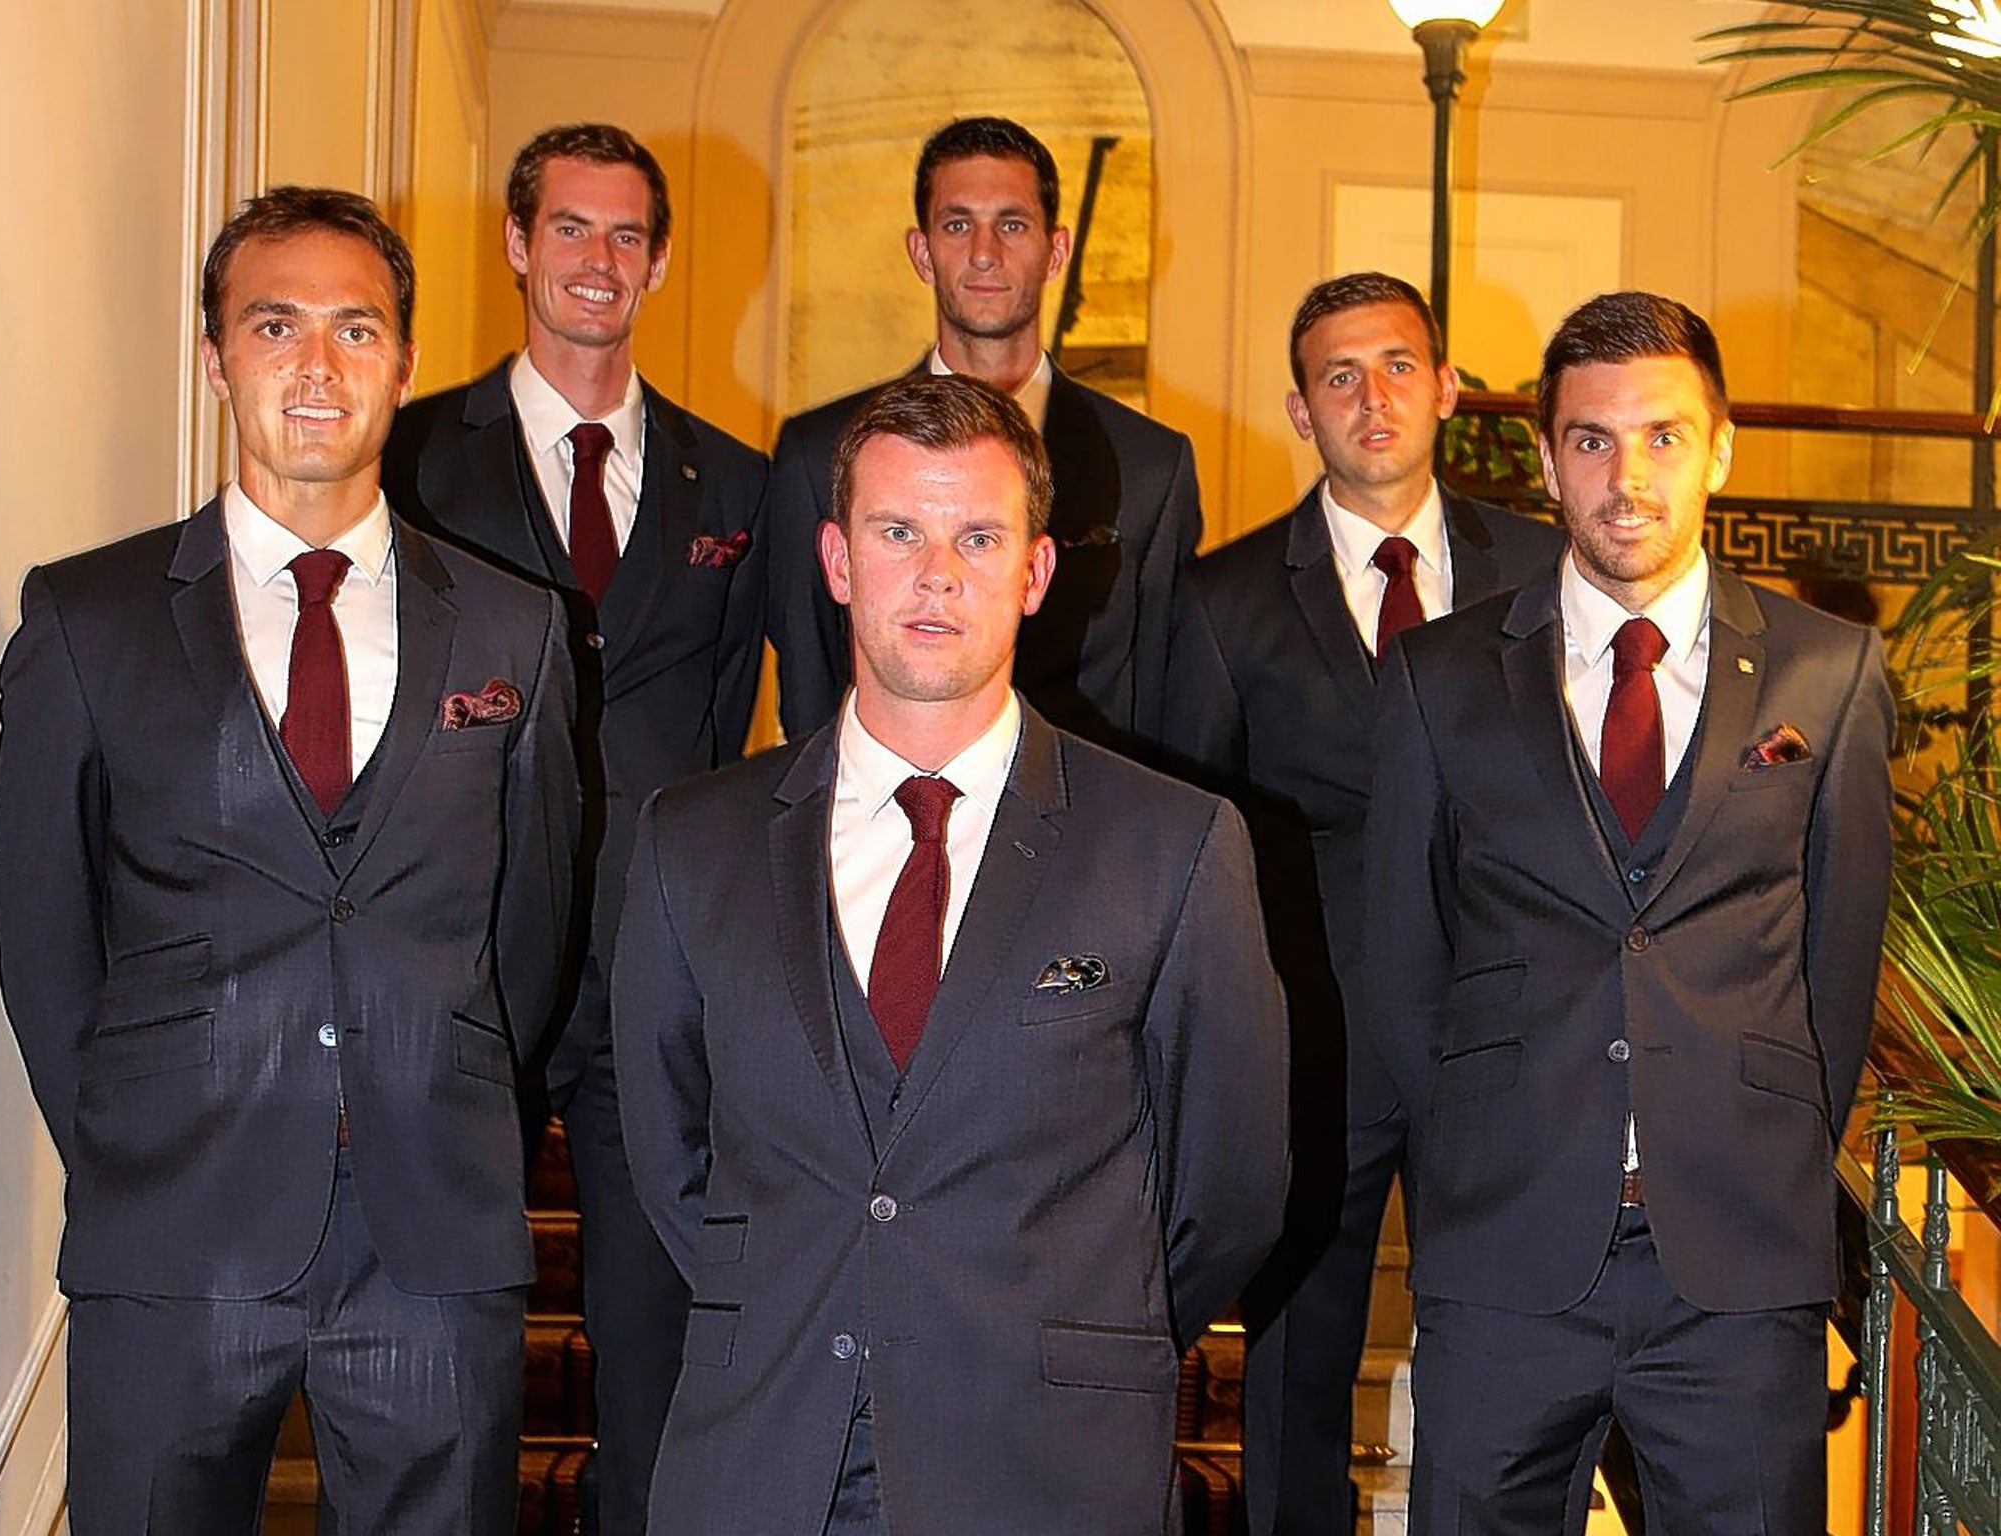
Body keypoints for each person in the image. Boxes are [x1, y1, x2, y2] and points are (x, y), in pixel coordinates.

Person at [0, 186, 577, 1535]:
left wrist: (444, 1087)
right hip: (171, 1231)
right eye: (275, 326)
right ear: (216, 357)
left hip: (436, 1232)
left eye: (356, 328)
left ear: (407, 363)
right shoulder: (87, 620)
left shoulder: (514, 631)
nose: (318, 366)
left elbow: (531, 933)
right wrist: (132, 1144)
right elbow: (45, 939)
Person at [614, 373, 1287, 1535]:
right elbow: (672, 1158)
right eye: (896, 532)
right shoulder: (691, 841)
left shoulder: (1172, 846)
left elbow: (1224, 1190)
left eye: (977, 536)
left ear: (1034, 573)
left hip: (1047, 1465)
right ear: (834, 560)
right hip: (762, 1455)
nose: (936, 574)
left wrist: (1068, 1336)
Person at [1361, 291, 1893, 1534]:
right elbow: (1399, 965)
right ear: (1546, 459)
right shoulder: (1439, 677)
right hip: (1505, 1258)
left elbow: (1837, 968)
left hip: (1737, 1267)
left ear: (1717, 448)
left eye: (1660, 435)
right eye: (1590, 440)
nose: (1625, 476)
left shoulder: (1829, 671)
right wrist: (1478, 1168)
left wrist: (1760, 1155)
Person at [382, 121, 766, 1535]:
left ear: (658, 261)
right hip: (463, 964)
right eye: (569, 229)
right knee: (452, 1342)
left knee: (657, 1340)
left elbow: (728, 725)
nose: (596, 260)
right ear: (516, 243)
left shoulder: (736, 483)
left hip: (658, 978)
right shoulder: (417, 456)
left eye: (624, 236)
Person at [1165, 271, 1561, 1536]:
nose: (1370, 396)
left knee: (1505, 1357)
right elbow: (1196, 849)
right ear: (1298, 408)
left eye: (1396, 365)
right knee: (1293, 1364)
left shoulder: (1546, 568)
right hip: (1313, 1046)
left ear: (1446, 387)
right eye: (1338, 375)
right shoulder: (1221, 603)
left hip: (1509, 1039)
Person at [763, 114, 1200, 751]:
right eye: (958, 224)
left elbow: (1161, 699)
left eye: (1012, 224)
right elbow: (810, 683)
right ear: (922, 250)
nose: (985, 252)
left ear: (1056, 250)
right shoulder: (816, 453)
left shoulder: (1151, 467)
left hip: (1087, 828)